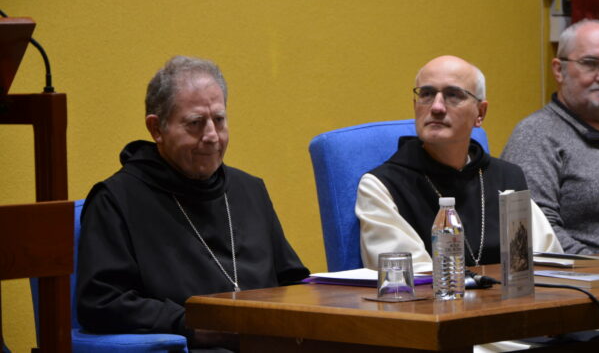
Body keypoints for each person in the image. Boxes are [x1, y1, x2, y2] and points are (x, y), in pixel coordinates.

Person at [76, 56, 309, 351]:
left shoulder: (249, 189)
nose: (212, 136)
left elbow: (292, 280)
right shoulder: (116, 200)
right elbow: (101, 301)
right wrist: (190, 324)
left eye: (219, 120)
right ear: (156, 129)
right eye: (196, 123)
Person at [356, 55, 562, 272]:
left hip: (513, 305)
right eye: (426, 94)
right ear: (415, 106)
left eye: (453, 95)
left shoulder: (507, 179)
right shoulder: (381, 186)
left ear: (480, 113)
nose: (436, 107)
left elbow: (548, 264)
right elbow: (406, 279)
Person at [502, 19, 599, 254]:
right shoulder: (536, 135)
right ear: (559, 70)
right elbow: (538, 232)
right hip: (597, 284)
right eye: (590, 64)